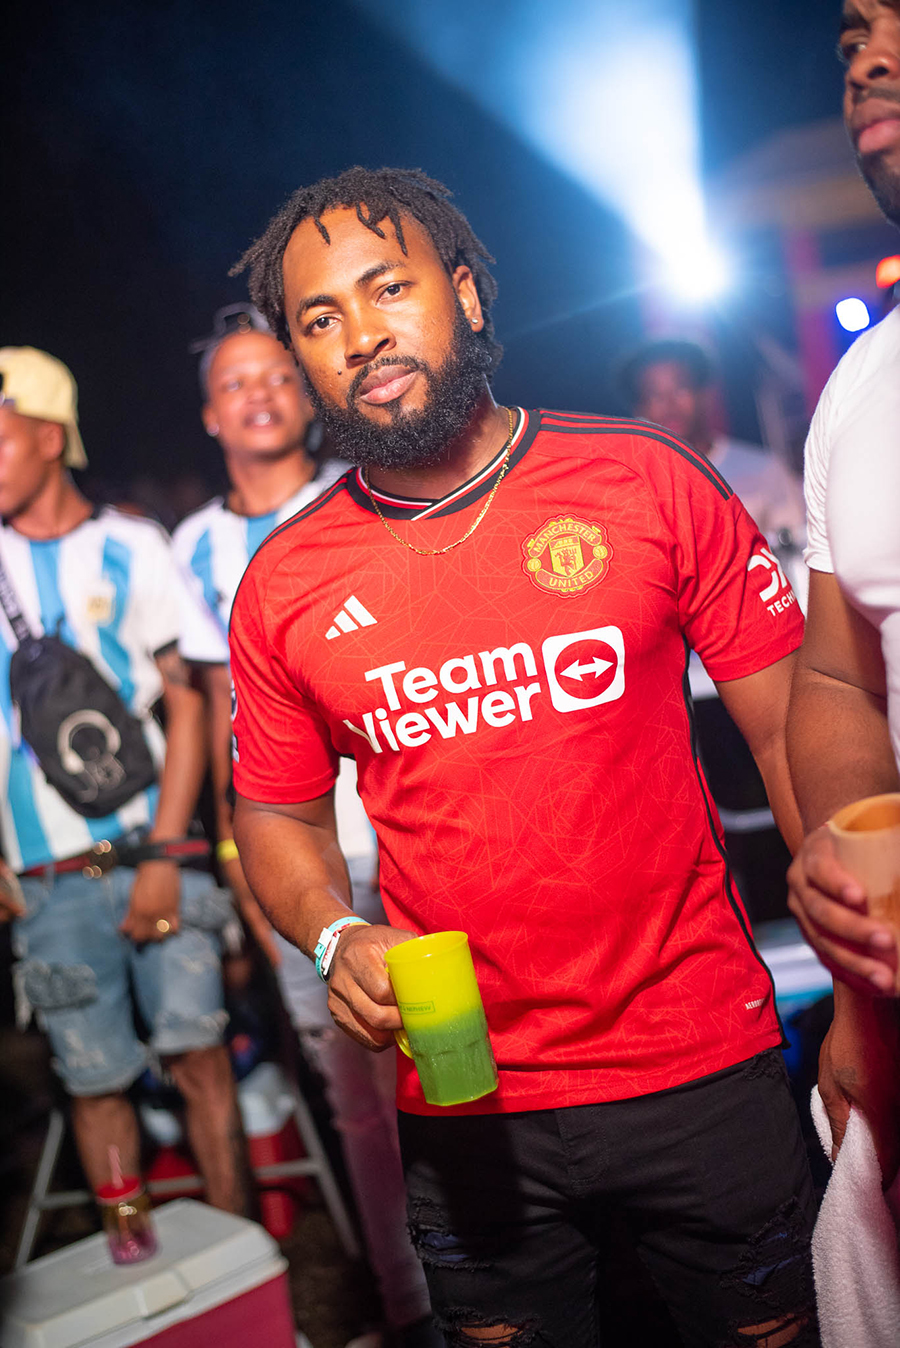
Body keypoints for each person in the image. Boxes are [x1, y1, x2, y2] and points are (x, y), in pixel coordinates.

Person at [227, 167, 818, 1347]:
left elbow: (795, 728)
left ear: (466, 291)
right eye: (320, 318)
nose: (361, 335)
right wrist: (334, 934)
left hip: (701, 1058)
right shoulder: (284, 582)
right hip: (465, 1095)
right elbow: (276, 814)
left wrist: (868, 993)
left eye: (388, 288)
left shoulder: (645, 478)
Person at [172, 308, 436, 1348]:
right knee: (357, 1096)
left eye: (278, 374)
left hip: (407, 836)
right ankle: (410, 1302)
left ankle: (508, 1273)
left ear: (309, 389)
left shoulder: (365, 493)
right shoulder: (194, 547)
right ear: (209, 415)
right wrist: (237, 858)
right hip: (298, 864)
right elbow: (217, 712)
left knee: (452, 1058)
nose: (261, 395)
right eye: (236, 382)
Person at [0, 346, 253, 1217]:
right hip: (46, 878)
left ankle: (242, 1260)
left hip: (158, 850)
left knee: (199, 1057)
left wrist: (166, 855)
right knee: (94, 1079)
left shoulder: (132, 545)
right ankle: (135, 1261)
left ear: (50, 437)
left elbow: (188, 700)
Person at [786, 0, 900, 1187]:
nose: (867, 59)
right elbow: (836, 674)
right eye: (854, 36)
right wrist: (861, 990)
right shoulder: (863, 383)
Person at [621, 339, 808, 925]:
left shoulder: (758, 470)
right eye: (653, 395)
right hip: (681, 694)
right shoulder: (629, 484)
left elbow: (803, 567)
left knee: (791, 795)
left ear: (705, 394)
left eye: (679, 388)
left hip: (764, 670)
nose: (669, 404)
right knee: (710, 827)